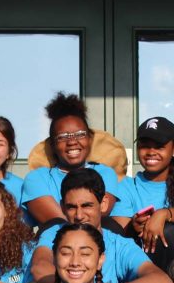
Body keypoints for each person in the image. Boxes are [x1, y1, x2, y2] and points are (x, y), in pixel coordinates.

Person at [29, 168, 173, 283]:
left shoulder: (118, 244)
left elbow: (162, 281)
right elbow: (40, 267)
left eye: (87, 206)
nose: (79, 215)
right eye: (71, 207)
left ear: (103, 204)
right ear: (62, 207)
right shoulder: (53, 233)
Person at [110, 117, 174, 271]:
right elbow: (118, 233)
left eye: (159, 147)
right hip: (142, 263)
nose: (151, 152)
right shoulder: (127, 185)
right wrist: (133, 227)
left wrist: (163, 214)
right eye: (145, 146)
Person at [20, 93, 121, 225]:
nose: (72, 141)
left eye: (80, 134)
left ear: (90, 139)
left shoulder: (105, 173)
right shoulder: (38, 178)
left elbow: (98, 215)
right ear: (53, 144)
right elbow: (58, 223)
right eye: (63, 136)